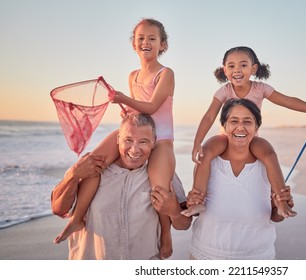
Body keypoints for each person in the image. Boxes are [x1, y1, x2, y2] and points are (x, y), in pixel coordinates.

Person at [53, 18, 177, 259]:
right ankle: (77, 218)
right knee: (95, 162)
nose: (146, 42)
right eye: (141, 38)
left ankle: (165, 234)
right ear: (134, 45)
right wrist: (127, 111)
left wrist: (122, 99)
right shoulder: (133, 75)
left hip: (160, 138)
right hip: (139, 131)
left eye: (152, 38)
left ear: (163, 45)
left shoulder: (166, 73)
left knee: (161, 188)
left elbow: (151, 107)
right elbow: (138, 112)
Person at [182, 46, 306, 217]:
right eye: (231, 66)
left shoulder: (260, 88)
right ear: (224, 70)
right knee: (206, 151)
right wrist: (197, 142)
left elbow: (287, 101)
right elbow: (209, 116)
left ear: (254, 68)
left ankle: (281, 202)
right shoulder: (224, 91)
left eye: (243, 65)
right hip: (227, 136)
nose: (237, 70)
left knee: (268, 153)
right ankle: (197, 200)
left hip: (251, 137)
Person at [51, 113, 191, 260]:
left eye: (143, 142)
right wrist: (72, 175)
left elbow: (185, 224)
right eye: (128, 140)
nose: (135, 149)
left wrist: (174, 212)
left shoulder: (163, 174)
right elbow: (58, 208)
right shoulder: (90, 168)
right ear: (118, 139)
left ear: (154, 142)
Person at [188, 98, 293, 259]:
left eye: (247, 122)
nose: (240, 127)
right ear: (224, 125)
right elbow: (195, 212)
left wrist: (281, 209)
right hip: (205, 256)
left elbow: (275, 216)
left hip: (257, 258)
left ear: (256, 127)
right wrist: (193, 202)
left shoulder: (266, 162)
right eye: (234, 121)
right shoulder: (209, 159)